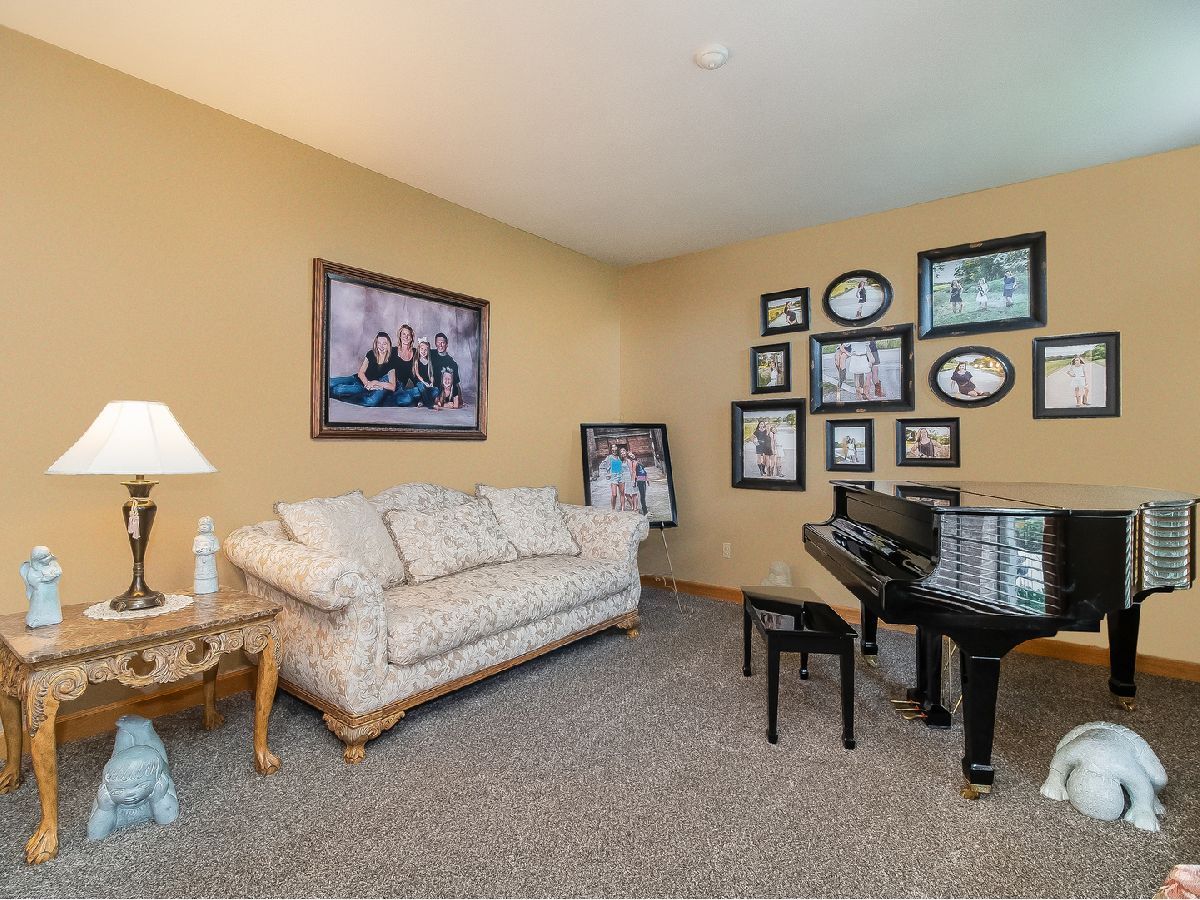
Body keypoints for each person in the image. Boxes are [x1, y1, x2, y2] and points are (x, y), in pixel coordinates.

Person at [328, 332, 396, 407]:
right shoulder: (371, 354)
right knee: (330, 382)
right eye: (379, 343)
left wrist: (375, 382)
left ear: (388, 345)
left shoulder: (391, 362)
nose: (381, 346)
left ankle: (324, 395)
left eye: (384, 344)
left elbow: (392, 386)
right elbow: (361, 372)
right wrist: (367, 383)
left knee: (338, 390)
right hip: (357, 379)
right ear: (376, 344)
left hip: (362, 387)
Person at [392, 323, 423, 407]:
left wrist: (420, 386)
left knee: (424, 389)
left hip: (403, 388)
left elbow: (416, 375)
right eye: (404, 334)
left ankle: (418, 395)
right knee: (406, 399)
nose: (406, 337)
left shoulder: (416, 352)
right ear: (400, 336)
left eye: (408, 335)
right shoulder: (393, 351)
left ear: (411, 337)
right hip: (393, 386)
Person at [412, 337, 438, 406]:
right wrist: (424, 383)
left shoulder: (429, 361)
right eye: (422, 349)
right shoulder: (416, 360)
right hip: (420, 382)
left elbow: (431, 375)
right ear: (418, 349)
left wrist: (431, 383)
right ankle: (429, 404)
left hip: (427, 382)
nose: (423, 351)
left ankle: (421, 401)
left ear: (428, 351)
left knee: (436, 390)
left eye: (425, 350)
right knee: (421, 388)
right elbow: (418, 375)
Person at [602, 444, 623, 510]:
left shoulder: (620, 456)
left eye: (615, 447)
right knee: (614, 494)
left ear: (617, 449)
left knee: (622, 494)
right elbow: (602, 465)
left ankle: (622, 507)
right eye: (612, 448)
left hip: (621, 476)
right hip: (614, 478)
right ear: (611, 449)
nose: (614, 450)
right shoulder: (609, 457)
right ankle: (613, 508)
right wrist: (607, 473)